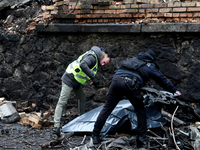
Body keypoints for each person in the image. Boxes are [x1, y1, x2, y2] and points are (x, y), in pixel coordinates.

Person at [92, 50, 181, 147]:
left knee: (107, 109)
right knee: (140, 110)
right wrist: (174, 90)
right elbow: (161, 79)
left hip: (116, 81)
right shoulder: (150, 65)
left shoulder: (133, 60)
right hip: (129, 84)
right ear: (152, 59)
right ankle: (142, 138)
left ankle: (95, 136)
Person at [53, 46, 110, 134]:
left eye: (105, 64)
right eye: (104, 62)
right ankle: (56, 126)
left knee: (82, 97)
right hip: (69, 79)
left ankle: (81, 119)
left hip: (76, 82)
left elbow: (86, 72)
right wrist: (93, 77)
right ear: (102, 57)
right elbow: (83, 64)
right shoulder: (92, 57)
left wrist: (93, 80)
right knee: (62, 102)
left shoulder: (96, 60)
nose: (103, 65)